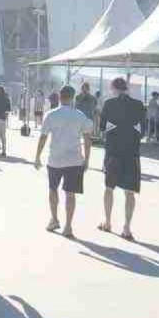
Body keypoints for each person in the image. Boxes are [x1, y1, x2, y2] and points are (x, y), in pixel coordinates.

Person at [33, 85, 92, 239]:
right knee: (70, 194)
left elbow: (43, 137)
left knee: (53, 190)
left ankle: (54, 219)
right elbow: (87, 137)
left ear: (59, 97)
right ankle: (68, 226)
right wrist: (87, 159)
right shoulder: (80, 115)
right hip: (74, 160)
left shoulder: (51, 115)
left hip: (55, 159)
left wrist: (37, 156)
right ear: (73, 98)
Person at [98, 77, 145, 241]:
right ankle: (126, 227)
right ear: (126, 88)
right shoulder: (139, 105)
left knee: (109, 188)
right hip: (132, 153)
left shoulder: (109, 104)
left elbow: (102, 127)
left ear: (113, 88)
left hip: (113, 152)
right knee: (129, 192)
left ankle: (108, 222)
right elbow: (143, 131)